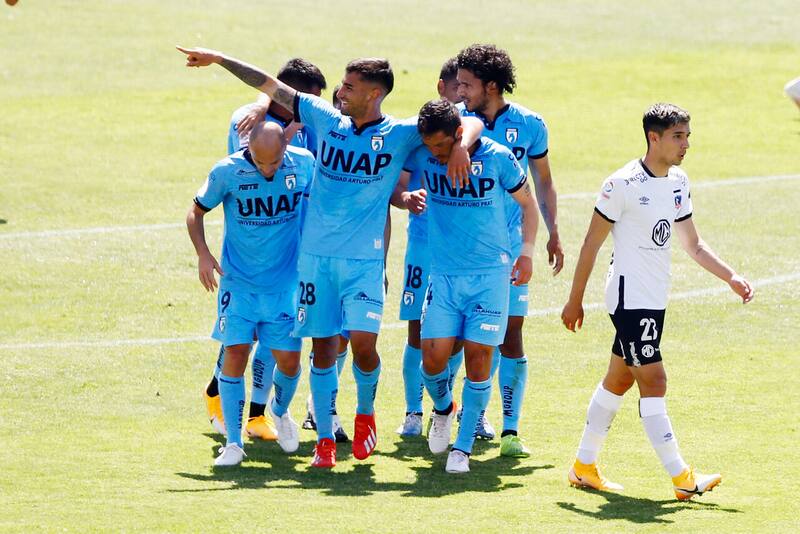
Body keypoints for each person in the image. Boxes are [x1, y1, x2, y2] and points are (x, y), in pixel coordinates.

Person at [177, 45, 483, 468]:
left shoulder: (399, 134)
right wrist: (219, 58)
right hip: (315, 262)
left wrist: (464, 146)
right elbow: (270, 84)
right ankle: (323, 439)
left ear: (374, 95)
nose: (340, 90)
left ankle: (365, 414)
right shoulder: (326, 120)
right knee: (323, 351)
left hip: (364, 263)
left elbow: (466, 119)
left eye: (350, 86)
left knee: (362, 346)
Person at [561, 103, 754, 499]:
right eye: (677, 137)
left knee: (618, 379)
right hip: (630, 300)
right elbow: (591, 244)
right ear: (654, 137)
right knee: (655, 380)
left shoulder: (679, 182)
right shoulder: (622, 185)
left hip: (653, 299)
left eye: (688, 136)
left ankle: (583, 466)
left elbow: (693, 244)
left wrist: (730, 276)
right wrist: (574, 300)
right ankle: (682, 478)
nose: (686, 145)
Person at [204, 57, 329, 444]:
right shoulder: (249, 120)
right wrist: (267, 113)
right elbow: (257, 159)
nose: (311, 108)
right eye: (305, 99)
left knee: (277, 336)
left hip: (294, 250)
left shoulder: (307, 123)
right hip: (252, 247)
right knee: (244, 335)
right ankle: (217, 393)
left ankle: (259, 412)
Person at [411, 99, 540, 473]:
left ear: (455, 135)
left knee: (480, 357)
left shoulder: (498, 157)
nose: (433, 154)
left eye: (440, 146)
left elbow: (529, 206)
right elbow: (467, 122)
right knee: (432, 360)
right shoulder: (424, 152)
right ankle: (442, 408)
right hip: (445, 275)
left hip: (490, 276)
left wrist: (527, 253)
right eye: (429, 147)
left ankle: (462, 448)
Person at [456, 43, 565, 454]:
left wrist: (552, 231)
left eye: (467, 84)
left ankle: (510, 430)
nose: (460, 90)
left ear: (492, 85)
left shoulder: (531, 124)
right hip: (466, 250)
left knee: (511, 333)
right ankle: (461, 413)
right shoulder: (455, 123)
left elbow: (545, 181)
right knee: (465, 339)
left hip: (513, 248)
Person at [187, 122, 314, 466]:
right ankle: (233, 442)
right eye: (262, 163)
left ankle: (279, 410)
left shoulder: (303, 163)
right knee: (235, 355)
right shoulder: (227, 171)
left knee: (289, 362)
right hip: (239, 284)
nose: (269, 170)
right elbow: (195, 212)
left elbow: (322, 207)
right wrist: (203, 253)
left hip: (285, 286)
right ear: (250, 151)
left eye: (275, 162)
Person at [391, 57, 467, 437]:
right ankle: (411, 412)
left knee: (455, 336)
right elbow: (396, 188)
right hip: (422, 246)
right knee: (416, 330)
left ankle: (445, 406)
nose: (462, 97)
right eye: (457, 89)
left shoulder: (470, 137)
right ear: (443, 88)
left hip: (460, 252)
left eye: (467, 90)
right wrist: (406, 198)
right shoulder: (417, 138)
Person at [228, 58, 327, 155]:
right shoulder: (249, 118)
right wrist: (294, 125)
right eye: (310, 100)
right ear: (287, 94)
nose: (314, 105)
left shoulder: (310, 118)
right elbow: (256, 165)